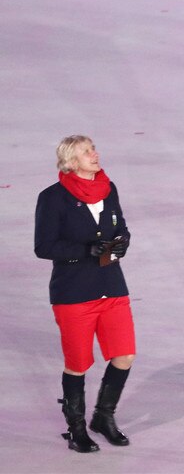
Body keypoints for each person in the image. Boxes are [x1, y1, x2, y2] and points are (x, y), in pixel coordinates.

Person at [35, 135, 135, 453]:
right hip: (74, 293)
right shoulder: (53, 198)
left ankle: (103, 417)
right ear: (71, 161)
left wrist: (122, 241)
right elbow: (44, 246)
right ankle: (76, 429)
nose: (95, 154)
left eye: (93, 149)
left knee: (124, 355)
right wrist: (85, 250)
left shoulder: (109, 189)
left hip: (112, 286)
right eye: (87, 152)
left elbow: (120, 226)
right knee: (78, 363)